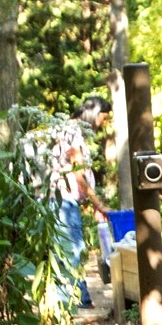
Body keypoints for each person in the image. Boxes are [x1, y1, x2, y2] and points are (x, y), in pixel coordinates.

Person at [53, 96, 111, 308]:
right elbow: (78, 172)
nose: (103, 123)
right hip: (63, 200)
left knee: (67, 249)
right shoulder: (72, 131)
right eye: (103, 117)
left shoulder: (68, 129)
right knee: (72, 249)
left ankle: (77, 297)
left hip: (66, 199)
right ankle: (74, 299)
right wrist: (99, 204)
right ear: (93, 113)